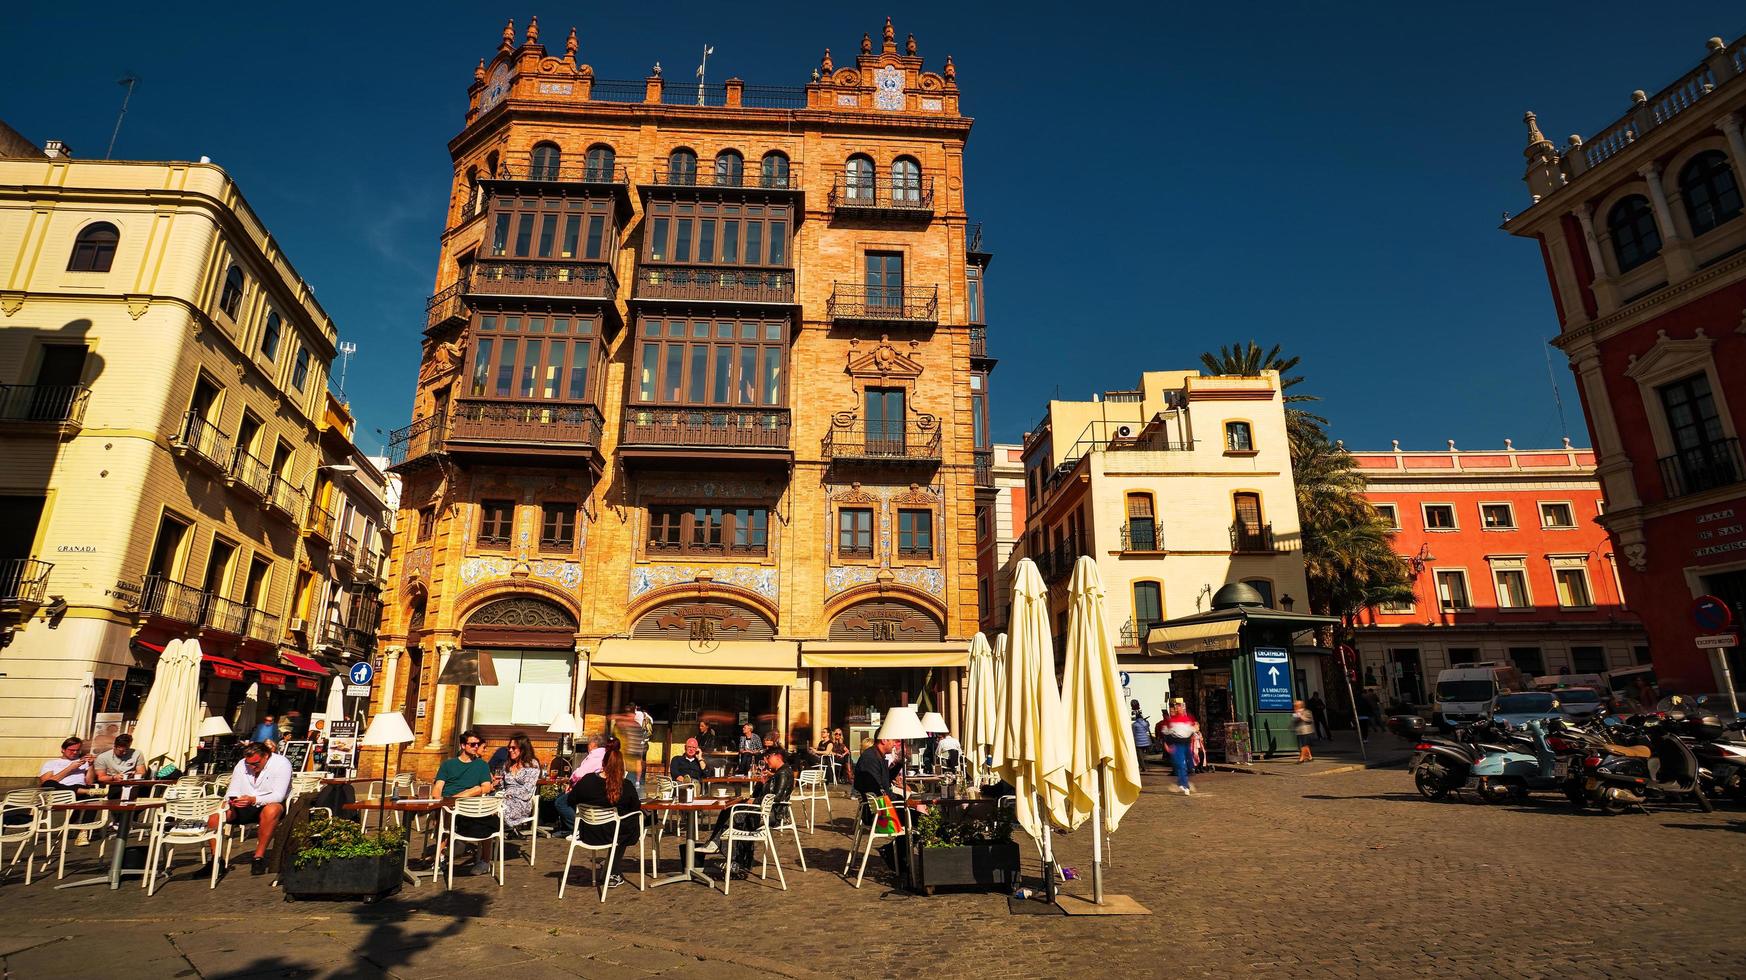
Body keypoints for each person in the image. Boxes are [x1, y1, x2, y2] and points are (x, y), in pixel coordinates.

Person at [696, 745, 793, 877]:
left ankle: (728, 855)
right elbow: (758, 793)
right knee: (729, 810)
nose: (766, 759)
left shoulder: (783, 773)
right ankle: (720, 848)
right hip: (764, 810)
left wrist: (755, 801)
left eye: (768, 757)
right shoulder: (778, 773)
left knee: (736, 815)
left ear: (777, 756)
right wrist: (763, 782)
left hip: (771, 815)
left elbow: (777, 797)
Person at [563, 737, 642, 889]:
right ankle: (612, 871)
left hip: (588, 833)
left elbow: (571, 800)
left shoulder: (587, 781)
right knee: (628, 823)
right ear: (622, 767)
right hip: (613, 835)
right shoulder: (625, 786)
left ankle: (612, 869)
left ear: (603, 763)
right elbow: (635, 807)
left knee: (620, 824)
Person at [208, 741, 292, 875]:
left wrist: (253, 800)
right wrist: (233, 800)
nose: (252, 767)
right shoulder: (242, 764)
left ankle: (258, 857)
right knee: (215, 816)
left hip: (267, 803)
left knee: (272, 810)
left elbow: (278, 796)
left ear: (266, 756)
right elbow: (232, 789)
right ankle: (216, 860)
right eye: (249, 764)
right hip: (244, 803)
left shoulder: (282, 764)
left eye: (255, 764)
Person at [432, 730, 496, 876]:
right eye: (472, 744)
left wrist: (468, 793)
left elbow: (486, 787)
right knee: (443, 814)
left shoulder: (481, 765)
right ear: (463, 745)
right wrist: (437, 799)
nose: (475, 747)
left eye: (477, 744)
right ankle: (441, 856)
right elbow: (438, 787)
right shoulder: (448, 764)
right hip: (448, 805)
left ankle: (485, 860)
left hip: (470, 805)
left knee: (489, 817)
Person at [553, 735, 603, 837]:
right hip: (594, 788)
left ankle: (579, 828)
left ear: (593, 745)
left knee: (560, 803)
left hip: (587, 789)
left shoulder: (596, 755)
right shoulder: (604, 754)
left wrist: (570, 782)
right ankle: (568, 828)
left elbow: (580, 774)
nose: (587, 747)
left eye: (588, 744)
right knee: (561, 797)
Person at [498, 734, 541, 831]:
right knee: (489, 807)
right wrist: (496, 784)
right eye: (509, 748)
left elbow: (527, 790)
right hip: (504, 798)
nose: (510, 750)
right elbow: (502, 786)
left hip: (521, 802)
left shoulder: (532, 764)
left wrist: (509, 794)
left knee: (497, 810)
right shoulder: (507, 765)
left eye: (513, 748)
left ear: (523, 748)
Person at [1163, 699, 1198, 795]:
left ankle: (1182, 783)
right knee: (1180, 764)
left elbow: (1193, 730)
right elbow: (1166, 734)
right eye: (1176, 707)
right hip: (1177, 745)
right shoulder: (1171, 721)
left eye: (1180, 707)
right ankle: (1184, 785)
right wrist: (1166, 744)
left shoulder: (1188, 719)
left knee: (1187, 766)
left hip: (1185, 744)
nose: (1178, 709)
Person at [92, 734, 142, 800]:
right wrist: (114, 777)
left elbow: (141, 771)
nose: (124, 753)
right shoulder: (103, 757)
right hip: (113, 784)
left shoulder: (137, 753)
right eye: (121, 751)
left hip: (132, 783)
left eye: (127, 749)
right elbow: (101, 778)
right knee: (118, 791)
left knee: (144, 791)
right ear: (115, 746)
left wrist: (134, 774)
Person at [619, 703, 651, 788]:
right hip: (642, 743)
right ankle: (638, 781)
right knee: (639, 762)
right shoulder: (648, 718)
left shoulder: (637, 716)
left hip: (632, 742)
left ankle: (625, 778)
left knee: (626, 760)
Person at [1130, 699, 1153, 771]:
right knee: (1144, 754)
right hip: (1146, 741)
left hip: (1138, 742)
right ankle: (1146, 766)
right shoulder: (1145, 723)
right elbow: (1147, 729)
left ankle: (1143, 767)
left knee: (1140, 755)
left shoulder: (1134, 724)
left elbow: (1133, 733)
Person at [1293, 700, 1315, 764]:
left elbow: (1310, 720)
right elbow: (1294, 721)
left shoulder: (1307, 712)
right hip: (1299, 731)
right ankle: (1310, 757)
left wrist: (1301, 717)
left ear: (1300, 705)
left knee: (1303, 745)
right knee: (1305, 745)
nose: (1295, 707)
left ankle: (1301, 758)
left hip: (1307, 731)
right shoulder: (1296, 712)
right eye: (1294, 706)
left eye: (1296, 705)